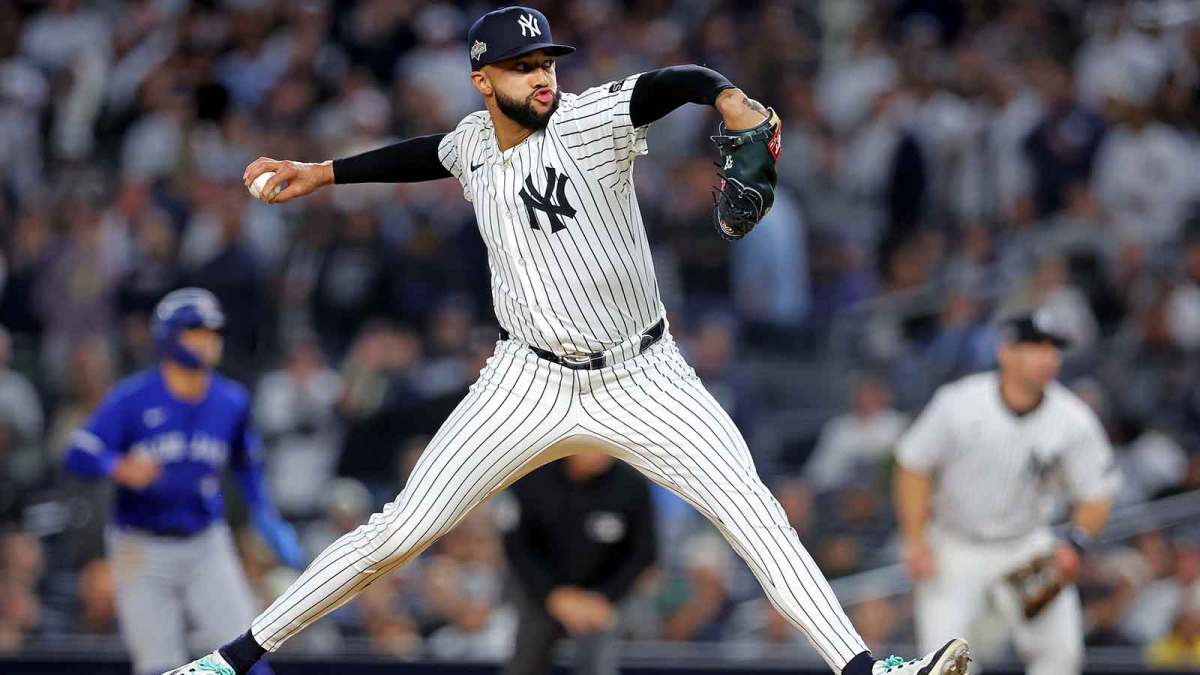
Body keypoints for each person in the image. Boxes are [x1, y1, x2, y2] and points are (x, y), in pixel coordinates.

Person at [167, 7, 969, 675]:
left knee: (754, 512)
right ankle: (226, 662)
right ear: (484, 81)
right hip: (527, 379)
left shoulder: (589, 120)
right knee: (398, 531)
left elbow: (674, 82)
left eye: (546, 59)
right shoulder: (472, 141)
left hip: (643, 373)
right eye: (521, 66)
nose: (542, 75)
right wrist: (324, 172)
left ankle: (871, 671)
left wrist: (727, 98)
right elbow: (423, 156)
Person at [64, 288, 303, 675]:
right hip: (140, 546)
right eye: (196, 330)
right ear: (169, 337)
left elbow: (247, 462)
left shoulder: (231, 400)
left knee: (249, 654)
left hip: (205, 542)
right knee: (159, 665)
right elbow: (77, 452)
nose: (208, 339)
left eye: (213, 330)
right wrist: (117, 465)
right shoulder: (133, 398)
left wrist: (264, 515)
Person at [894, 312, 1119, 675]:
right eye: (1035, 347)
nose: (1048, 358)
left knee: (1061, 655)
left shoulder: (1073, 420)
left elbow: (1096, 492)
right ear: (1006, 352)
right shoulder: (959, 403)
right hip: (955, 546)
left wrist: (1075, 544)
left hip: (1026, 546)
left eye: (1053, 349)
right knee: (943, 664)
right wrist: (915, 538)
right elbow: (913, 464)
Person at [500, 453, 655, 675]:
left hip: (604, 599)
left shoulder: (632, 485)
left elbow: (643, 554)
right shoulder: (531, 477)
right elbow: (517, 548)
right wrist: (553, 595)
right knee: (527, 655)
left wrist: (603, 597)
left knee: (598, 658)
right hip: (542, 593)